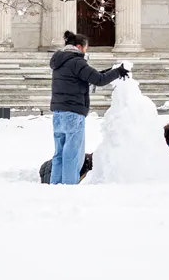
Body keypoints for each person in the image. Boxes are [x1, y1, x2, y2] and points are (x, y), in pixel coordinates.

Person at [48, 31, 129, 185]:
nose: (86, 51)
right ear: (79, 47)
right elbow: (99, 80)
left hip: (58, 113)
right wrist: (118, 72)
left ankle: (55, 186)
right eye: (86, 48)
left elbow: (89, 76)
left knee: (59, 153)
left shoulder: (60, 62)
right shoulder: (77, 62)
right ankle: (69, 188)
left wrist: (110, 71)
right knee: (72, 154)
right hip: (73, 113)